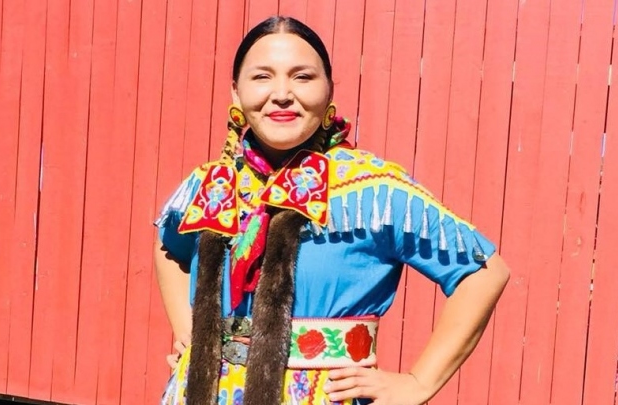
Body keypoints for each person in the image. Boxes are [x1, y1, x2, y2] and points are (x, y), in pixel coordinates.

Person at [153, 16, 510, 405]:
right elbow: (167, 244)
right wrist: (191, 331)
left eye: (302, 77)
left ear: (329, 90)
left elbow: (483, 273)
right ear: (236, 92)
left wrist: (418, 383)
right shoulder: (212, 184)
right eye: (262, 77)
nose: (282, 94)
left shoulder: (372, 191)